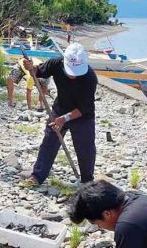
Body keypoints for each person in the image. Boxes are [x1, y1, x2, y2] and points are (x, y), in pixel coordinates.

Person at [19, 43, 98, 186]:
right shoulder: (56, 64)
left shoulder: (90, 78)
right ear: (65, 62)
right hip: (60, 109)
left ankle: (87, 182)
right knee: (49, 142)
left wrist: (64, 119)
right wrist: (31, 68)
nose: (73, 76)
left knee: (86, 149)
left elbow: (84, 107)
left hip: (82, 115)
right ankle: (37, 176)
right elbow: (38, 72)